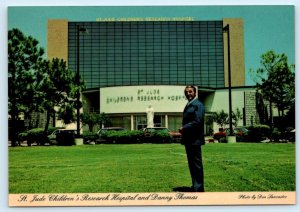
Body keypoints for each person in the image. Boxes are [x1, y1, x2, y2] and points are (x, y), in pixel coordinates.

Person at [179, 85, 205, 192]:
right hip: (189, 140)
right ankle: (195, 185)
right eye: (186, 92)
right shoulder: (189, 105)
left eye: (190, 92)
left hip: (195, 140)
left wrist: (184, 128)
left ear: (195, 93)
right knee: (192, 164)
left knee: (196, 165)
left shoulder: (198, 105)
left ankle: (198, 187)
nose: (188, 93)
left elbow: (197, 121)